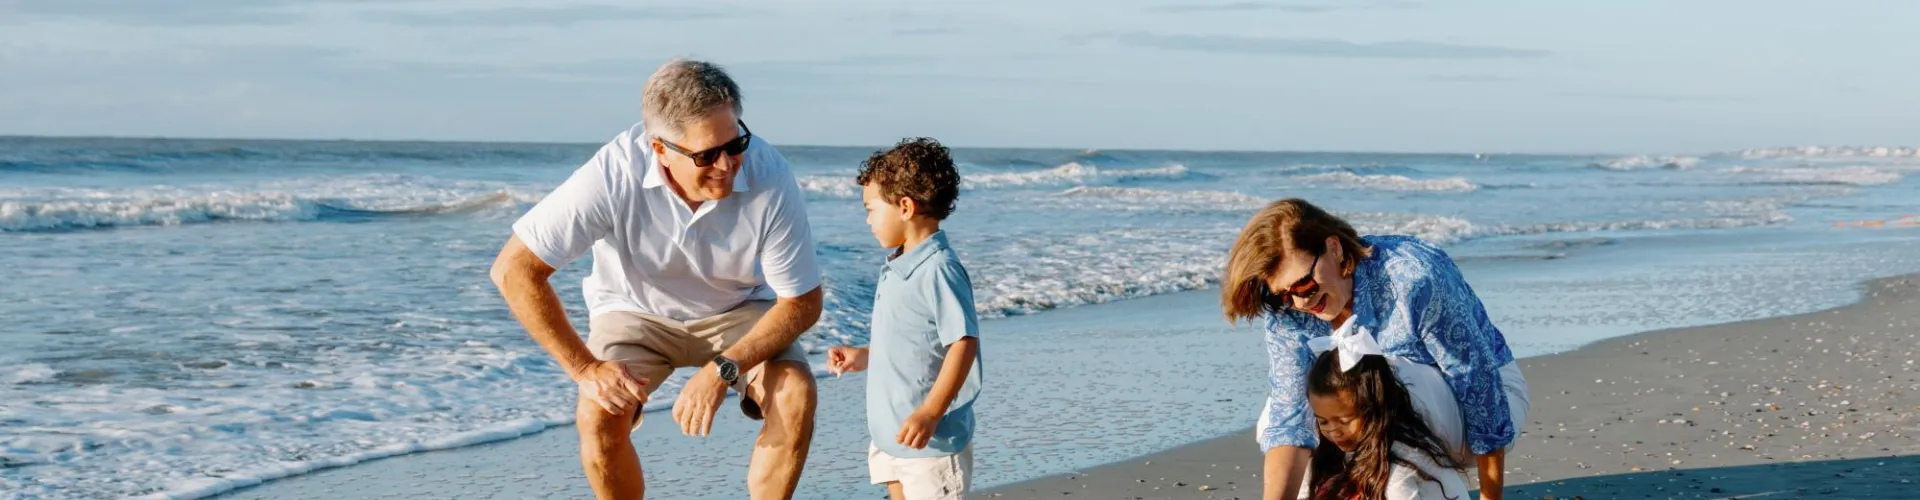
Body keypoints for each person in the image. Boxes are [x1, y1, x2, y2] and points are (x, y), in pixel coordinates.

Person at [489, 58, 823, 500]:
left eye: (736, 142)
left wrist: (724, 367)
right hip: (635, 312)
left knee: (795, 392)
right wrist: (586, 369)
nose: (727, 163)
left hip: (739, 310)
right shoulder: (612, 173)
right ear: (659, 148)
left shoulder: (770, 174)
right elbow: (515, 270)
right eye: (706, 154)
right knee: (597, 412)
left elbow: (802, 302)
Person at [1222, 198, 1530, 500]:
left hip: (1482, 402)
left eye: (1303, 285)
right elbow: (1289, 420)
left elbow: (1480, 389)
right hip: (1370, 420)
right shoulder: (1288, 311)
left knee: (1382, 379)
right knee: (1282, 409)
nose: (1300, 302)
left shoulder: (1413, 279)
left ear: (1334, 248)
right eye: (1284, 295)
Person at [825, 138, 984, 500]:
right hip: (892, 432)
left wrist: (930, 411)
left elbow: (963, 343)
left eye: (871, 209)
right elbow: (911, 342)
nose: (867, 220)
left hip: (932, 439)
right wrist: (863, 355)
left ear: (905, 207)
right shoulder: (899, 266)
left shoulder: (939, 269)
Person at [1303, 324, 1468, 500]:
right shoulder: (1331, 453)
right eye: (1323, 421)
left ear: (1376, 407)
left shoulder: (1402, 465)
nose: (1333, 430)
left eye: (1344, 420)